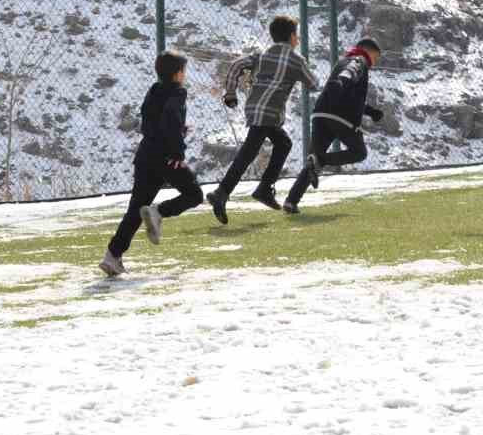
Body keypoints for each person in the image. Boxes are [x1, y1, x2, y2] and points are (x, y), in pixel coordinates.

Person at [100, 51, 204, 277]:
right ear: (178, 74)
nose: (184, 75)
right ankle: (158, 212)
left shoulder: (154, 90)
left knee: (136, 208)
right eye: (184, 71)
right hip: (166, 157)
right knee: (194, 195)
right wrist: (178, 151)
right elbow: (171, 117)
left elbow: (153, 120)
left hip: (146, 154)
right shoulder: (178, 92)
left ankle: (112, 256)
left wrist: (178, 130)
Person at [209, 15, 319, 224]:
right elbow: (313, 84)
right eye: (297, 36)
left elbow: (236, 65)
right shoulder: (296, 60)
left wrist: (230, 93)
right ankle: (222, 193)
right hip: (269, 112)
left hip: (254, 108)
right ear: (292, 37)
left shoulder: (261, 56)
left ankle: (263, 189)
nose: (298, 40)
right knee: (249, 152)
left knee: (283, 143)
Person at [281, 38, 384, 214]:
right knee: (359, 152)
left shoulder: (343, 61)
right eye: (376, 57)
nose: (375, 61)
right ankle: (321, 161)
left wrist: (370, 111)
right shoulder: (359, 59)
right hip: (341, 117)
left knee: (313, 161)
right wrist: (342, 81)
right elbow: (350, 72)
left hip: (321, 113)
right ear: (369, 51)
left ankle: (291, 201)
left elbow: (351, 96)